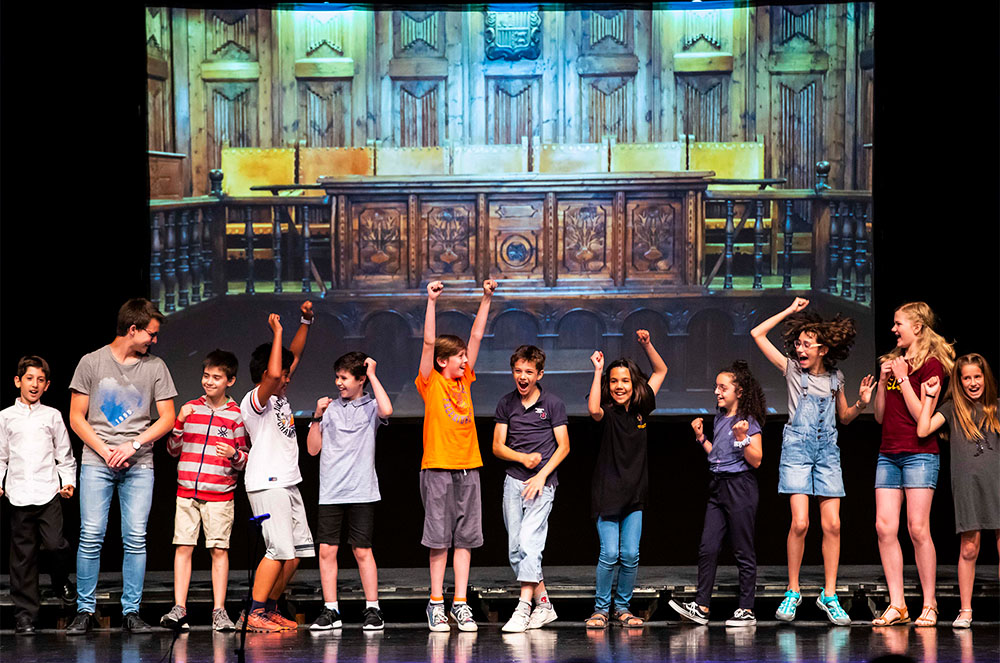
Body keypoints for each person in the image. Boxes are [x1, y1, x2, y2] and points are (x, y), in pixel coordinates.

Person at [750, 297, 875, 624]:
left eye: (807, 344)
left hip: (827, 453)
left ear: (823, 348)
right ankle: (793, 591)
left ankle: (829, 594)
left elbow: (845, 418)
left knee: (832, 524)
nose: (799, 349)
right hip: (797, 452)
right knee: (801, 523)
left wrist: (862, 403)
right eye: (797, 344)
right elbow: (757, 334)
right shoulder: (791, 370)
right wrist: (790, 311)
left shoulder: (837, 378)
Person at [66, 298, 177, 634]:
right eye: (151, 334)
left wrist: (133, 444)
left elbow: (168, 417)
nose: (154, 341)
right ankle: (85, 610)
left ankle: (132, 611)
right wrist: (105, 450)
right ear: (133, 329)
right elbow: (76, 417)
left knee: (135, 538)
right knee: (91, 536)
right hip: (97, 462)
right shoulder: (91, 362)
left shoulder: (155, 367)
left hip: (139, 463)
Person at [417, 279, 496, 632]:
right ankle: (436, 603)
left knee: (465, 538)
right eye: (460, 356)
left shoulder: (464, 381)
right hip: (437, 468)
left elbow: (477, 337)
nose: (466, 360)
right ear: (443, 361)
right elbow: (428, 342)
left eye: (466, 356)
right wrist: (431, 302)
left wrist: (486, 298)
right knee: (439, 538)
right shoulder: (431, 382)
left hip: (469, 468)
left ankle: (460, 603)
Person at [871, 302, 954, 627]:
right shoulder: (895, 363)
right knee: (884, 527)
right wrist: (883, 380)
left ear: (917, 327)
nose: (893, 329)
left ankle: (930, 605)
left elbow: (923, 417)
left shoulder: (932, 366)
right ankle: (898, 604)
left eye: (898, 324)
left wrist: (904, 379)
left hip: (920, 453)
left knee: (918, 529)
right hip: (888, 453)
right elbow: (879, 416)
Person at [669, 360, 765, 627]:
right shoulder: (721, 418)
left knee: (742, 549)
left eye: (723, 387)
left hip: (740, 487)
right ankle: (701, 606)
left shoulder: (747, 421)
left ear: (739, 391)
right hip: (718, 485)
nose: (717, 392)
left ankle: (746, 609)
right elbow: (718, 457)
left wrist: (743, 437)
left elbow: (756, 460)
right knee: (707, 547)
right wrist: (702, 438)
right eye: (716, 387)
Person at [238, 301, 315, 632]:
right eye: (284, 374)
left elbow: (290, 358)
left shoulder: (280, 396)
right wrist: (278, 332)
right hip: (266, 483)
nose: (288, 377)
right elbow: (274, 372)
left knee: (295, 553)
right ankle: (253, 612)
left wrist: (304, 322)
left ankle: (267, 608)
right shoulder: (256, 400)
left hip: (287, 482)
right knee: (278, 549)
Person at [584, 330, 667, 629]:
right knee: (609, 554)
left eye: (625, 381)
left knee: (630, 554)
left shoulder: (643, 408)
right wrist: (597, 371)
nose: (619, 386)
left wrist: (647, 344)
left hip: (635, 493)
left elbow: (661, 370)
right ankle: (600, 610)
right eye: (614, 381)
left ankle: (622, 608)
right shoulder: (605, 411)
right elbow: (593, 409)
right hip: (607, 493)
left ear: (634, 384)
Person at [160, 350, 247, 632]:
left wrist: (234, 453)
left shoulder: (236, 416)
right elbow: (172, 451)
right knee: (183, 547)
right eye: (206, 376)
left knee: (218, 550)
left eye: (217, 377)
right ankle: (179, 608)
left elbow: (245, 458)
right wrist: (179, 422)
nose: (209, 382)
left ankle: (219, 611)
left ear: (230, 381)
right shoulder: (190, 409)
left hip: (220, 495)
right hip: (186, 492)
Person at [307, 351, 392, 632]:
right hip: (331, 491)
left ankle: (373, 608)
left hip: (362, 490)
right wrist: (317, 416)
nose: (339, 382)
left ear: (360, 380)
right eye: (337, 377)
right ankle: (331, 610)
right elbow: (312, 449)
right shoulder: (329, 408)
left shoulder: (370, 407)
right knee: (327, 550)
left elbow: (387, 411)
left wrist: (373, 375)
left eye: (344, 378)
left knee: (362, 550)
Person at [916, 353, 999, 629]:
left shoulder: (997, 408)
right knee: (969, 547)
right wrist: (929, 397)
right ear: (959, 382)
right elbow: (923, 428)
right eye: (967, 378)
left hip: (997, 483)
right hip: (967, 485)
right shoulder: (952, 408)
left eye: (977, 377)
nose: (973, 382)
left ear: (985, 378)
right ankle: (965, 610)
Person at [492, 345, 570, 633]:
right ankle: (545, 604)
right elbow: (497, 446)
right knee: (515, 550)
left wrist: (541, 475)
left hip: (542, 484)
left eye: (528, 372)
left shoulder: (553, 404)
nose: (522, 377)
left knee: (529, 544)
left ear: (539, 374)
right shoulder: (506, 403)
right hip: (513, 482)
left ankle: (523, 607)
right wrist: (523, 458)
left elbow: (564, 446)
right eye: (518, 371)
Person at [0, 356, 77, 635]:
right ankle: (25, 616)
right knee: (23, 557)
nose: (34, 384)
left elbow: (64, 455)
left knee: (56, 545)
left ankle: (60, 581)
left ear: (47, 386)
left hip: (48, 492)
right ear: (18, 381)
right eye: (29, 378)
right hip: (19, 494)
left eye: (40, 380)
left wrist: (68, 482)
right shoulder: (5, 417)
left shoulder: (52, 416)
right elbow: (1, 456)